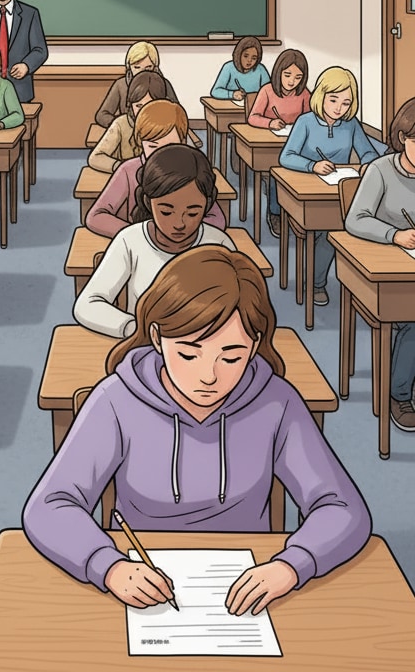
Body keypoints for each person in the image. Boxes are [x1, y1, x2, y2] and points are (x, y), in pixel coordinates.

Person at [24, 247, 371, 613]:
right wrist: (108, 566)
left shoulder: (277, 402)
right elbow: (48, 506)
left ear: (255, 345)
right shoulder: (115, 399)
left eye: (231, 357)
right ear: (157, 338)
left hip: (246, 585)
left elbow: (343, 507)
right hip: (140, 583)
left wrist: (291, 565)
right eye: (188, 354)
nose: (208, 376)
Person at [74, 144, 234, 339]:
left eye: (192, 213)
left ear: (207, 205)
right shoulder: (130, 240)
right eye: (166, 212)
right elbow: (87, 304)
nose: (179, 224)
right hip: (145, 344)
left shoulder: (219, 244)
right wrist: (133, 328)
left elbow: (241, 304)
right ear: (147, 202)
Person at [280, 66, 381, 307]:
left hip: (339, 191)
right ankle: (315, 282)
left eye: (346, 103)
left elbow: (369, 152)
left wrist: (367, 165)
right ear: (321, 95)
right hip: (307, 192)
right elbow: (286, 156)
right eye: (333, 99)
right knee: (323, 231)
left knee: (335, 231)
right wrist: (312, 166)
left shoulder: (351, 124)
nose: (339, 108)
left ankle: (318, 280)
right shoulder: (305, 122)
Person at [345, 96, 415, 431]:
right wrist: (394, 235)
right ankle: (398, 394)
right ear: (403, 138)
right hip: (388, 274)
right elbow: (355, 219)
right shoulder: (381, 170)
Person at [86, 101, 225, 239]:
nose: (160, 153)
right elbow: (96, 216)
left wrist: (185, 233)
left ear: (183, 141)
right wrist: (140, 234)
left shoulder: (191, 169)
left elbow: (217, 219)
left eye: (170, 146)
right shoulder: (128, 170)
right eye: (152, 146)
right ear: (140, 142)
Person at [247, 48, 311, 239]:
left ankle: (298, 212)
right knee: (277, 174)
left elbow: (310, 119)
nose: (292, 81)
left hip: (296, 145)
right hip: (271, 143)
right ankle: (275, 213)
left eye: (298, 77)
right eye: (287, 75)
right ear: (278, 72)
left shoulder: (304, 94)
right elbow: (253, 117)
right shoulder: (267, 91)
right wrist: (270, 123)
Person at [87, 71, 169, 174]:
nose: (143, 110)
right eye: (138, 106)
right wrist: (122, 167)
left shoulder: (168, 124)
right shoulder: (121, 124)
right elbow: (95, 157)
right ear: (130, 104)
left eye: (150, 104)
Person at [95, 42, 179, 129]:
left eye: (148, 67)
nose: (141, 72)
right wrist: (123, 125)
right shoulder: (121, 85)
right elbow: (101, 115)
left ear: (155, 67)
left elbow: (177, 114)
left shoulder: (164, 84)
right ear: (129, 66)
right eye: (137, 67)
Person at [210, 36, 270, 102]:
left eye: (254, 58)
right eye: (246, 56)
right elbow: (215, 91)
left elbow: (269, 92)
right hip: (232, 105)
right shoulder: (228, 67)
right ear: (239, 54)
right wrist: (232, 94)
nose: (249, 60)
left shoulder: (261, 69)